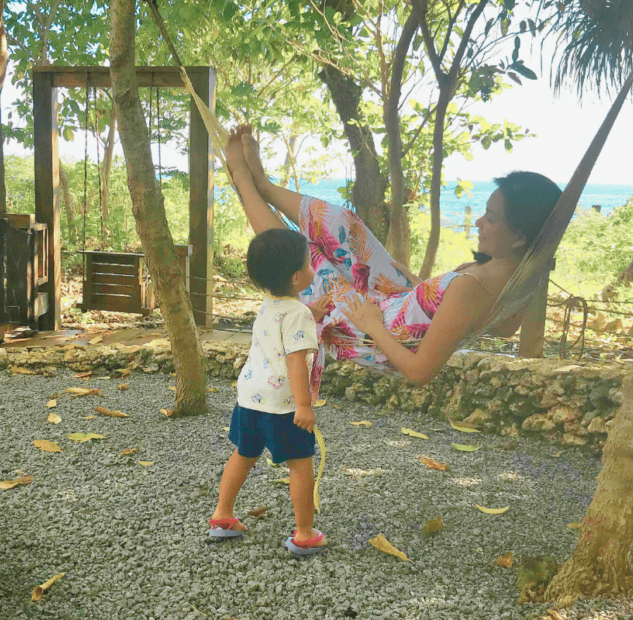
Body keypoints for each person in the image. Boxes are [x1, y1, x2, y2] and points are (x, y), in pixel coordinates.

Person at [224, 124, 562, 398]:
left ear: (519, 237)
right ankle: (264, 185)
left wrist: (372, 324)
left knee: (302, 258)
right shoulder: (524, 271)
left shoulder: (472, 288)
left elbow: (418, 374)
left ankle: (243, 180)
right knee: (344, 224)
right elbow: (503, 326)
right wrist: (423, 290)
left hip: (374, 331)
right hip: (397, 300)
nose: (479, 223)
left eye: (490, 217)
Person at [208, 227, 328, 556]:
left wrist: (312, 315)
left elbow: (280, 332)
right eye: (307, 264)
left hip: (250, 396)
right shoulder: (298, 313)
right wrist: (304, 406)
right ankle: (304, 533)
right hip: (283, 404)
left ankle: (221, 517)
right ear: (294, 278)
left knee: (244, 454)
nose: (312, 269)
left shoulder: (271, 302)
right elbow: (295, 361)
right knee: (300, 463)